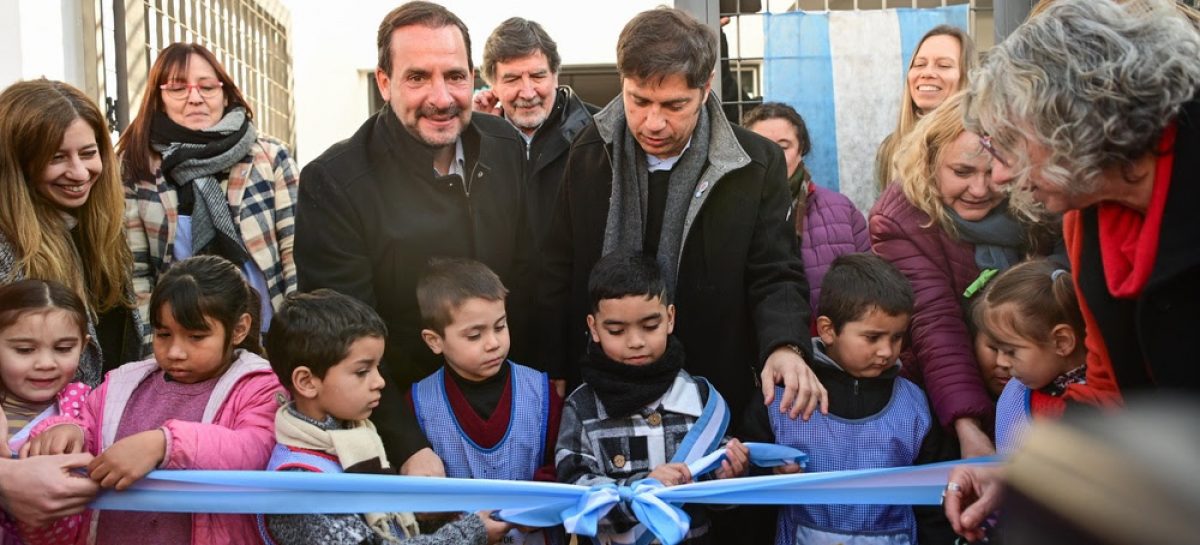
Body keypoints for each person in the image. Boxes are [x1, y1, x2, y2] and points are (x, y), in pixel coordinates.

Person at [948, 1, 1200, 538]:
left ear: (1074, 121)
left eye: (1009, 145)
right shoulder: (1084, 220)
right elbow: (1107, 388)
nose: (996, 174)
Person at [539, 5, 824, 435]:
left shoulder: (755, 164)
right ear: (623, 84)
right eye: (639, 101)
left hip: (715, 393)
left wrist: (784, 346)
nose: (653, 122)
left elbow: (775, 272)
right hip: (601, 398)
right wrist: (553, 363)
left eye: (674, 105)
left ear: (706, 88)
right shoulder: (588, 152)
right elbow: (558, 266)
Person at [294, 1, 534, 470]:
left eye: (456, 76)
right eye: (418, 77)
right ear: (384, 82)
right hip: (403, 426)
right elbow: (342, 338)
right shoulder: (334, 182)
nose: (442, 98)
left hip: (514, 419)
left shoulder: (507, 149)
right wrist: (407, 446)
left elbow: (531, 278)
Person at [23, 255, 284, 544]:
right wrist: (65, 431)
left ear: (239, 329)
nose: (175, 352)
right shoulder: (123, 384)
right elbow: (86, 426)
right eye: (163, 334)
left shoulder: (259, 385)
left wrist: (163, 444)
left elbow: (255, 449)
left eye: (196, 336)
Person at [870, 92, 1056, 459]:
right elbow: (935, 323)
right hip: (945, 397)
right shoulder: (901, 219)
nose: (980, 189)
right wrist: (967, 427)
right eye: (963, 172)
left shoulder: (1040, 201)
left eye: (994, 171)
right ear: (929, 160)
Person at [260, 289, 511, 545]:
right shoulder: (299, 484)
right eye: (362, 371)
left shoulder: (361, 438)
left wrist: (437, 516)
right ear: (306, 381)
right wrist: (469, 533)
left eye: (378, 367)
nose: (379, 382)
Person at [743, 253, 953, 545]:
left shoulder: (914, 406)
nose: (887, 351)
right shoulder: (782, 399)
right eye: (872, 337)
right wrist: (766, 469)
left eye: (896, 337)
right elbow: (746, 485)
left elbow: (934, 499)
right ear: (828, 330)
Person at [555, 252, 750, 545]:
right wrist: (642, 491)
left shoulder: (701, 398)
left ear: (670, 318)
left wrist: (731, 477)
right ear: (594, 327)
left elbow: (719, 501)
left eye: (650, 326)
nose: (636, 341)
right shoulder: (581, 407)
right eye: (617, 330)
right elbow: (576, 495)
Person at [119, 42, 300, 339]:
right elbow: (137, 273)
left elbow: (295, 253)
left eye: (207, 87)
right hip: (186, 343)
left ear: (225, 93)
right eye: (178, 89)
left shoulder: (269, 158)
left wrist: (295, 336)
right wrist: (157, 347)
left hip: (269, 335)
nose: (195, 98)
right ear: (158, 98)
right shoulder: (137, 167)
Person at [410, 258, 563, 544]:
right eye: (475, 334)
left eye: (500, 326)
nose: (493, 342)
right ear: (434, 341)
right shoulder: (419, 404)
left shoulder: (542, 392)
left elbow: (561, 459)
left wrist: (537, 503)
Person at [0, 79, 141, 381]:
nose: (79, 173)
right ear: (17, 164)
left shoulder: (104, 228)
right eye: (57, 157)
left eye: (88, 153)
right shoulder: (6, 249)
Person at [473, 17, 598, 249]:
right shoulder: (472, 140)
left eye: (538, 76)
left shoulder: (598, 135)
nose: (528, 92)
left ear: (555, 76)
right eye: (512, 79)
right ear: (494, 86)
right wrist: (482, 135)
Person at [743, 103, 869, 317]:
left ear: (801, 150)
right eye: (761, 146)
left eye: (783, 147)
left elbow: (870, 288)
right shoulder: (731, 212)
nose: (772, 156)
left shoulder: (842, 210)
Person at [0, 280, 93, 544]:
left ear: (83, 346)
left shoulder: (87, 405)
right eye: (25, 350)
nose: (45, 363)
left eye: (64, 349)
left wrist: (75, 429)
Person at [976, 259, 1087, 454]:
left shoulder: (1113, 397)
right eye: (996, 348)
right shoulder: (1014, 396)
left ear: (1061, 342)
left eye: (1011, 351)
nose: (1001, 362)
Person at [874, 25, 976, 190]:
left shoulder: (982, 144)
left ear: (967, 76)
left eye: (943, 65)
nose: (927, 73)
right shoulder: (889, 148)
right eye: (919, 64)